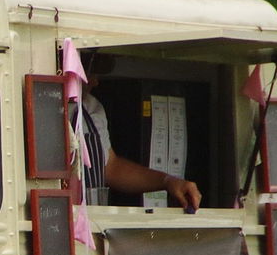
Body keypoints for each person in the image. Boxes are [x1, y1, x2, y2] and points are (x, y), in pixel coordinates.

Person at [81, 57, 203, 210]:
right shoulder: (47, 109)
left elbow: (111, 167)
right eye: (89, 74)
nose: (95, 82)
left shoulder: (91, 109)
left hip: (91, 220)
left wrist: (168, 182)